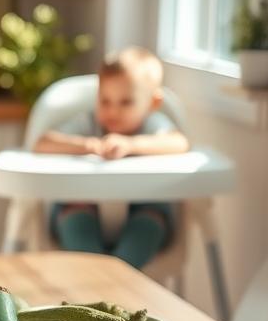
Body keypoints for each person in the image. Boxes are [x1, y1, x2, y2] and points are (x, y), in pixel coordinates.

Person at [33, 47, 190, 269]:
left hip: (144, 212)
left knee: (150, 222)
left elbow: (179, 143)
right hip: (83, 208)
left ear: (153, 103)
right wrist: (86, 145)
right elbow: (43, 143)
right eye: (105, 101)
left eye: (125, 102)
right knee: (75, 214)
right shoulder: (88, 124)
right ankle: (96, 277)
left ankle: (116, 279)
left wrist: (131, 145)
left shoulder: (152, 124)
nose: (113, 112)